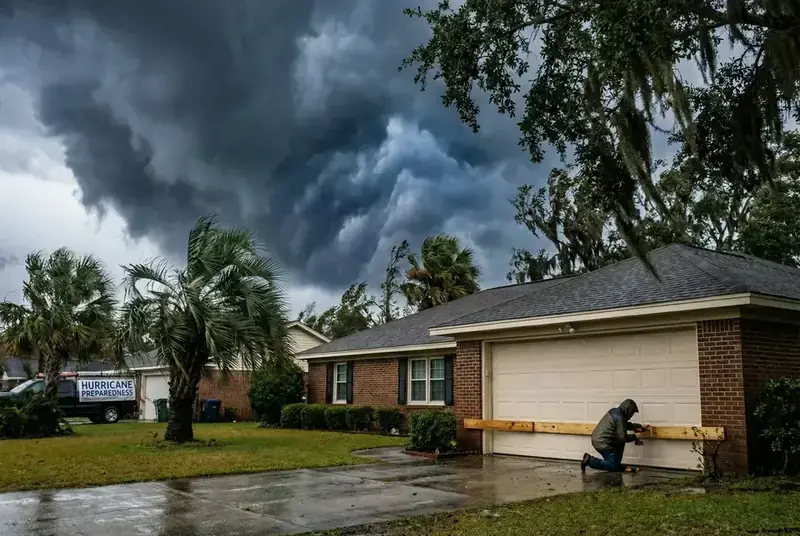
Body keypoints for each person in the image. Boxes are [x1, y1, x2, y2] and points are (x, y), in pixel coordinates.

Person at [581, 399, 649, 472]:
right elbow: (623, 437)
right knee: (613, 465)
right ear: (627, 410)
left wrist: (640, 426)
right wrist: (636, 436)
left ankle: (621, 467)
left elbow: (624, 425)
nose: (632, 415)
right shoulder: (619, 417)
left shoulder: (615, 411)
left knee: (614, 462)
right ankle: (590, 460)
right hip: (603, 442)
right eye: (631, 412)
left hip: (600, 439)